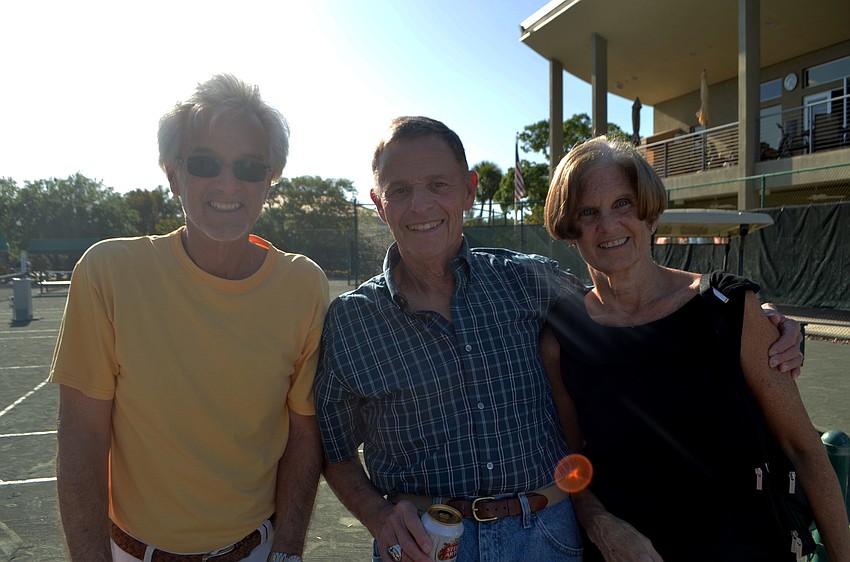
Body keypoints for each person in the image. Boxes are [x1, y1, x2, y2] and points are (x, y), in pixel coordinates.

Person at [313, 116, 804, 562]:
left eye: (437, 184)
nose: (420, 204)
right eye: (399, 190)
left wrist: (754, 313)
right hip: (424, 543)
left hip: (545, 537)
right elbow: (335, 454)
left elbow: (631, 299)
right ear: (378, 203)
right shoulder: (350, 321)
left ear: (468, 190)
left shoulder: (527, 281)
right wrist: (378, 517)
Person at [50, 74, 328, 562]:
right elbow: (82, 437)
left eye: (249, 166)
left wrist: (287, 552)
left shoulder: (303, 285)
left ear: (271, 178)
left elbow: (304, 433)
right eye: (204, 163)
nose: (228, 183)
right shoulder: (107, 273)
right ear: (173, 175)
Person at [540, 136, 850, 561]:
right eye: (588, 212)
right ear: (569, 227)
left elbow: (804, 449)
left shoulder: (726, 307)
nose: (608, 226)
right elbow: (573, 462)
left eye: (623, 204)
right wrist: (598, 522)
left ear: (650, 213)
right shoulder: (560, 336)